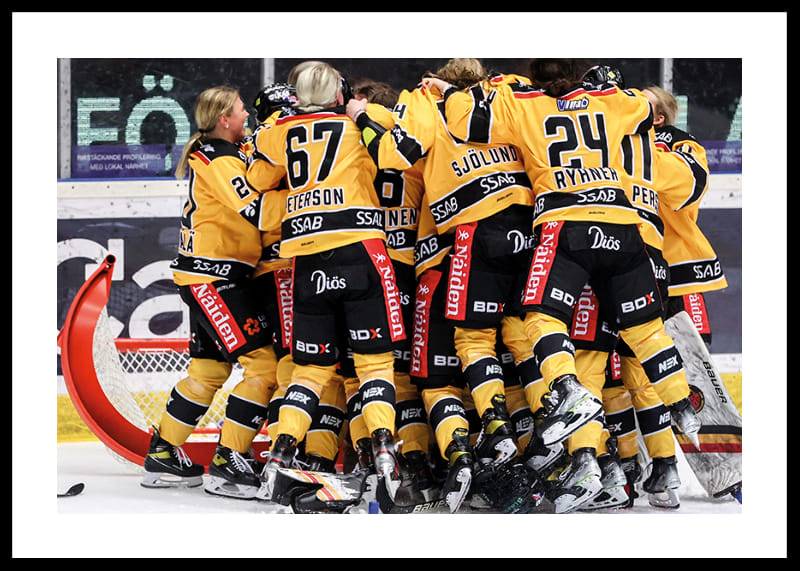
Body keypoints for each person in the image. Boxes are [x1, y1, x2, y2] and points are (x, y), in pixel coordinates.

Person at [429, 57, 703, 512]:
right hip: (624, 228)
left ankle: (566, 389)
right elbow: (643, 107)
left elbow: (465, 124)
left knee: (540, 316)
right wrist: (602, 90)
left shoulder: (525, 104)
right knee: (644, 330)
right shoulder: (612, 101)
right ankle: (680, 404)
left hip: (566, 224)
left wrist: (457, 91)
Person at [346, 59, 546, 513]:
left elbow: (396, 154)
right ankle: (536, 439)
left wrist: (364, 116)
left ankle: (445, 458)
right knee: (518, 347)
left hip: (433, 260)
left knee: (427, 377)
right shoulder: (509, 96)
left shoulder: (415, 109)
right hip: (522, 232)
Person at [245, 61, 405, 502]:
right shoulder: (361, 118)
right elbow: (402, 147)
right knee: (373, 364)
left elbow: (257, 178)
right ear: (340, 93)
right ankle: (384, 451)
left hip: (307, 255)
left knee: (310, 368)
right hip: (361, 249)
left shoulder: (278, 129)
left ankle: (280, 454)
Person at [141, 86, 281, 495]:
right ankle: (228, 459)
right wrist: (311, 205)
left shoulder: (223, 152)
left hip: (207, 276)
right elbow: (253, 210)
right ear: (224, 119)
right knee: (264, 368)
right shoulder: (217, 158)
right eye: (240, 111)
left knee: (209, 371)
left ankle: (163, 452)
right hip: (214, 278)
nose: (246, 116)